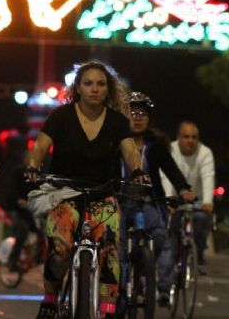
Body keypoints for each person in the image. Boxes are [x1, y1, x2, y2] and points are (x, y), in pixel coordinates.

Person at [23, 61, 145, 319]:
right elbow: (38, 149)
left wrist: (137, 170)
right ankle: (50, 299)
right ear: (77, 87)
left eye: (101, 84)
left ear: (108, 89)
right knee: (60, 249)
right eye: (88, 83)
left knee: (111, 252)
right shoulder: (61, 117)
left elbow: (131, 152)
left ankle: (108, 309)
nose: (94, 89)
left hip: (103, 195)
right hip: (64, 193)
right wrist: (33, 166)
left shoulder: (117, 122)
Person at [120, 92, 195, 308]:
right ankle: (120, 290)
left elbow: (171, 170)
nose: (137, 117)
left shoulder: (157, 145)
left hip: (147, 202)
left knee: (161, 235)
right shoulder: (115, 141)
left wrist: (183, 189)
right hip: (119, 202)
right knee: (119, 247)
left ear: (149, 119)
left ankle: (142, 271)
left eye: (142, 114)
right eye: (132, 112)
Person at [161, 121, 215, 270]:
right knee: (170, 229)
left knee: (203, 219)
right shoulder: (169, 150)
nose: (190, 140)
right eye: (186, 137)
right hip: (175, 199)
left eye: (194, 137)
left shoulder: (205, 153)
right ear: (178, 138)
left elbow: (208, 176)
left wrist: (208, 202)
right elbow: (166, 177)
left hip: (197, 201)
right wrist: (168, 201)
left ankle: (198, 250)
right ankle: (170, 265)